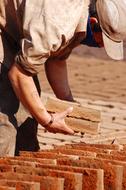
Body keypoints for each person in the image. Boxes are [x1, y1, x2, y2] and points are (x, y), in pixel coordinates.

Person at [0, 0, 125, 157]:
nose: (102, 47)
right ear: (93, 23)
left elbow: (56, 60)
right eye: (104, 41)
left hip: (18, 27)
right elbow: (19, 74)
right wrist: (48, 121)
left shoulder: (78, 17)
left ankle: (21, 163)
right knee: (7, 108)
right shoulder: (58, 23)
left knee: (28, 107)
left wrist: (69, 104)